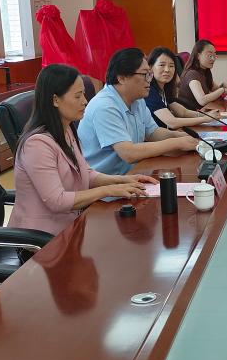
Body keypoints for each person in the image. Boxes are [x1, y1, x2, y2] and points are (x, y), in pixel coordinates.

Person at [9, 64, 157, 235]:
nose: (85, 101)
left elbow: (86, 173)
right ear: (55, 100)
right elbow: (57, 200)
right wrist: (107, 190)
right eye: (78, 96)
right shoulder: (37, 145)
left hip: (71, 226)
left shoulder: (66, 130)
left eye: (84, 94)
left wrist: (122, 180)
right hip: (41, 238)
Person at [79, 48, 199, 175]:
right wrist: (176, 143)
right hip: (106, 183)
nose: (149, 80)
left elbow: (153, 133)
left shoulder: (138, 100)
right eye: (144, 74)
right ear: (122, 78)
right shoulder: (105, 106)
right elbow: (129, 153)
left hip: (132, 174)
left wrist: (181, 137)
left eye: (150, 74)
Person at [146, 47, 216, 130]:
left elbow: (183, 112)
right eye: (162, 65)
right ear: (150, 67)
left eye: (171, 66)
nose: (167, 70)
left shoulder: (164, 89)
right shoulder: (149, 91)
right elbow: (172, 122)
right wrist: (205, 119)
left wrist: (207, 115)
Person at [178, 39, 227, 108]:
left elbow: (214, 89)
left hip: (202, 110)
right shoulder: (192, 74)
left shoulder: (205, 71)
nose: (213, 59)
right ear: (198, 55)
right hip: (191, 112)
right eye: (210, 55)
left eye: (214, 55)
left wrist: (223, 86)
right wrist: (222, 90)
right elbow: (202, 100)